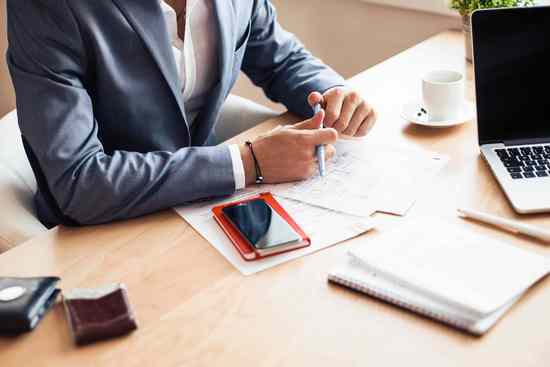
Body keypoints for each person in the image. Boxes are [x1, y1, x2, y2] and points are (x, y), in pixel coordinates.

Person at [6, 0, 377, 228]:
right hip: (104, 229)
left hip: (209, 206)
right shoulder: (49, 6)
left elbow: (281, 59)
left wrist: (332, 93)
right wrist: (248, 162)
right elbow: (79, 183)